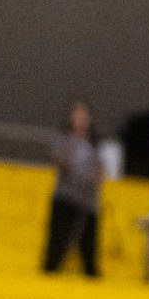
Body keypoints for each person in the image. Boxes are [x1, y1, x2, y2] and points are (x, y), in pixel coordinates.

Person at [44, 100, 104, 276]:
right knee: (58, 241)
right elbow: (60, 162)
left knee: (88, 245)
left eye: (83, 114)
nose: (80, 118)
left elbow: (100, 170)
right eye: (77, 114)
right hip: (66, 197)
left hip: (88, 201)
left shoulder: (95, 144)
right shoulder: (63, 139)